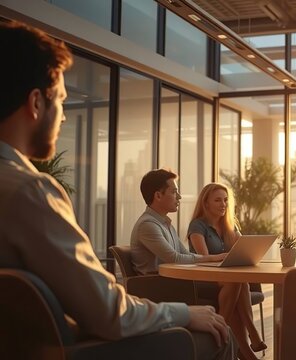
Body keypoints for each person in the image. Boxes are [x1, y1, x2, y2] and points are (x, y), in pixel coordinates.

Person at [0, 21, 236, 360]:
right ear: (36, 103)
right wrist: (185, 313)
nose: (64, 117)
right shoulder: (29, 192)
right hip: (75, 349)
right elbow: (109, 312)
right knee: (218, 335)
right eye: (63, 101)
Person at [188, 183, 266, 360]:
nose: (223, 204)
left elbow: (244, 252)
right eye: (217, 200)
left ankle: (241, 349)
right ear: (205, 203)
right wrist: (224, 256)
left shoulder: (230, 226)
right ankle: (248, 332)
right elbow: (203, 258)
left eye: (225, 200)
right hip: (203, 279)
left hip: (229, 281)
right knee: (236, 281)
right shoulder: (197, 226)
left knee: (237, 281)